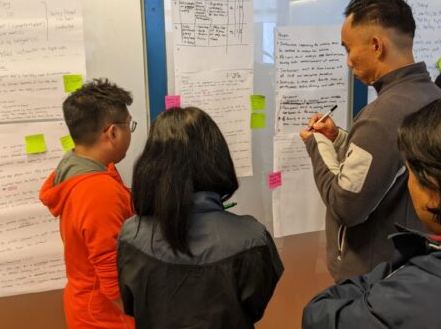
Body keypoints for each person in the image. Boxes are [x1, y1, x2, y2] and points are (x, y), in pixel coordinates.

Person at [302, 91, 441, 328]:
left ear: (434, 188)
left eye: (409, 173)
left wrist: (408, 258)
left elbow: (319, 315)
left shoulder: (412, 297)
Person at [300, 0, 441, 281]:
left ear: (376, 45)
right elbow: (388, 167)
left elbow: (346, 206)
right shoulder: (436, 96)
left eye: (348, 49)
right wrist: (339, 138)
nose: (348, 61)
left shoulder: (382, 116)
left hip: (374, 277)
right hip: (414, 266)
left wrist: (317, 144)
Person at [117, 107, 283, 329]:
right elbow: (255, 308)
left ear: (151, 164)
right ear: (217, 159)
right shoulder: (253, 238)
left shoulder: (131, 236)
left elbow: (131, 304)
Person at [39, 79, 136, 329]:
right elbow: (111, 275)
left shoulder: (76, 167)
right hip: (106, 317)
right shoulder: (97, 190)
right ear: (112, 133)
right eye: (129, 125)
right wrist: (140, 316)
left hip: (86, 306)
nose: (130, 132)